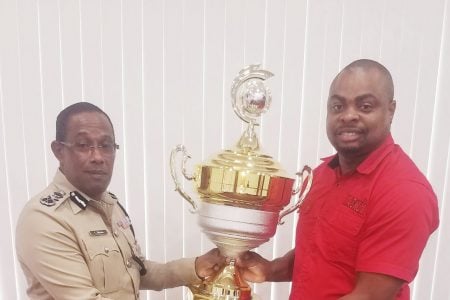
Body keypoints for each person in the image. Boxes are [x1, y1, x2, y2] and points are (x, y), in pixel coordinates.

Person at [236, 59, 439, 299]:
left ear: (390, 110)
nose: (348, 116)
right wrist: (270, 269)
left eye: (364, 106)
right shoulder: (323, 175)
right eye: (337, 107)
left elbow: (368, 296)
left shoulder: (405, 192)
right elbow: (319, 252)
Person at [15, 102, 225, 300]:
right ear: (59, 151)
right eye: (83, 144)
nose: (97, 156)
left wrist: (196, 267)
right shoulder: (44, 219)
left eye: (106, 145)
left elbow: (137, 270)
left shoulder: (109, 205)